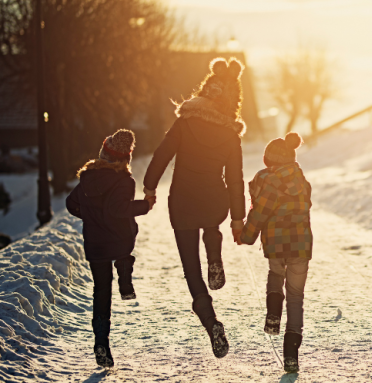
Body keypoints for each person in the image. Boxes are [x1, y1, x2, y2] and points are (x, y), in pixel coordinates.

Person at [142, 57, 247, 358]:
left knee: (191, 268)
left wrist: (149, 188)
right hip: (216, 200)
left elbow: (162, 154)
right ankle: (214, 249)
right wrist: (237, 220)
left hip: (183, 201)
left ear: (204, 91)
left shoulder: (185, 122)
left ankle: (211, 321)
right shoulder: (230, 134)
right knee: (211, 225)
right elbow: (236, 180)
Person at [66, 129, 155, 368]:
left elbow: (71, 204)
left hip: (95, 243)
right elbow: (118, 209)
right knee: (125, 243)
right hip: (118, 239)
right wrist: (144, 206)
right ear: (125, 158)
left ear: (103, 153)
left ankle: (101, 343)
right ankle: (125, 276)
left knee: (101, 291)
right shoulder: (124, 180)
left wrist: (91, 217)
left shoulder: (87, 178)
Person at [239, 132, 312, 373]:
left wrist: (247, 236)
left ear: (268, 159)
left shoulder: (268, 181)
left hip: (277, 245)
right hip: (301, 245)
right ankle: (291, 355)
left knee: (275, 274)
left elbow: (260, 212)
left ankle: (272, 313)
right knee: (296, 297)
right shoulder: (302, 181)